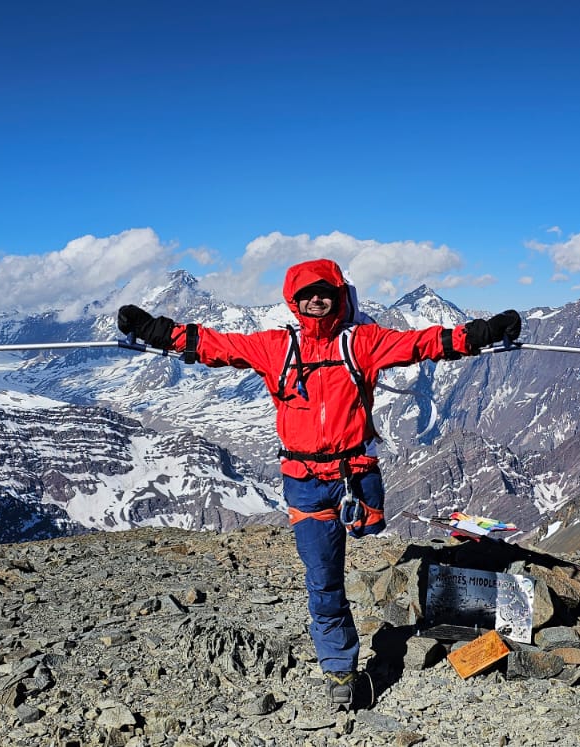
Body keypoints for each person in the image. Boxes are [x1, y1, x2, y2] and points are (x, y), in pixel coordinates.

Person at [117, 258, 520, 706]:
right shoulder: (276, 347)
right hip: (304, 482)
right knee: (323, 580)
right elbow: (215, 345)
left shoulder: (362, 342)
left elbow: (424, 344)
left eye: (324, 292)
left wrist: (480, 334)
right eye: (307, 294)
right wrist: (156, 330)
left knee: (369, 534)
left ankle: (379, 599)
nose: (316, 299)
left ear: (339, 295)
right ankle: (340, 672)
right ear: (294, 300)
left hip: (355, 477)